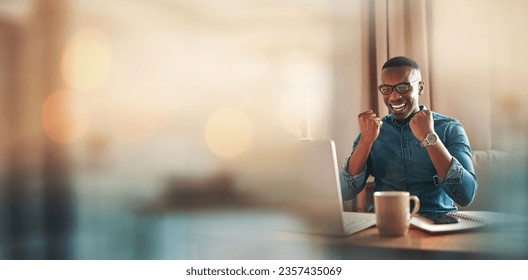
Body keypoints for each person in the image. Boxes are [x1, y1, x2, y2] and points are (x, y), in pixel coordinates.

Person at [340, 56, 477, 213]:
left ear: (420, 87)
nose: (394, 96)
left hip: (437, 223)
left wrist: (429, 138)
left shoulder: (449, 128)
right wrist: (365, 141)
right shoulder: (372, 132)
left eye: (403, 87)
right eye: (386, 89)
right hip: (384, 224)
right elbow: (345, 192)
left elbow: (466, 195)